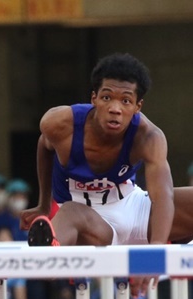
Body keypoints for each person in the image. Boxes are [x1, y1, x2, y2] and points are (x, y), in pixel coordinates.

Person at [22, 53, 193, 255]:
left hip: (133, 207)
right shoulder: (61, 123)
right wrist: (43, 204)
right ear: (94, 98)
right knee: (69, 212)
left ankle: (167, 247)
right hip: (85, 217)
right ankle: (51, 256)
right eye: (106, 97)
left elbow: (163, 196)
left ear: (138, 106)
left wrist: (155, 249)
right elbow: (44, 144)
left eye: (126, 101)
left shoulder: (148, 137)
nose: (115, 109)